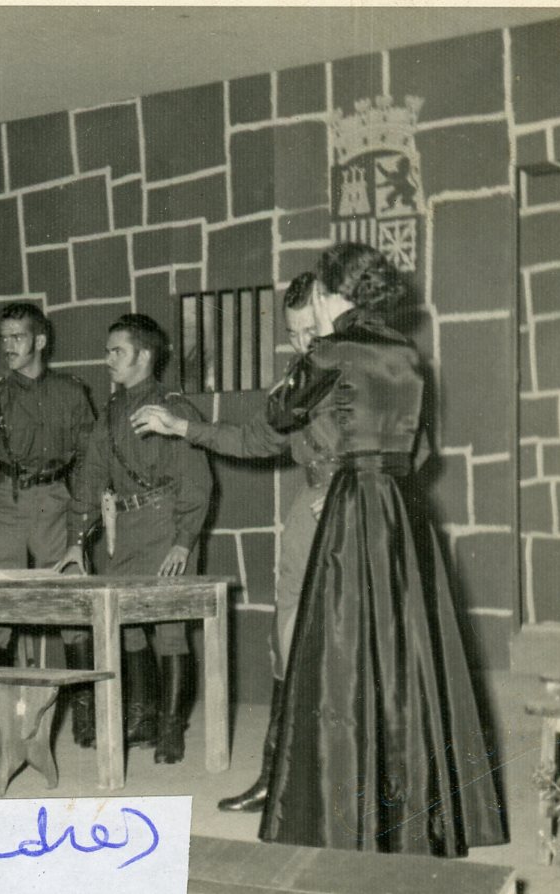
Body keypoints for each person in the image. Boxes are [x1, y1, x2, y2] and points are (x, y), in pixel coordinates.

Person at [257, 243, 505, 855]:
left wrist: (307, 367)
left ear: (327, 294)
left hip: (353, 506)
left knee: (342, 652)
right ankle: (417, 809)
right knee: (405, 648)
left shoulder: (329, 351)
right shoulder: (406, 353)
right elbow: (419, 453)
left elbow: (279, 414)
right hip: (400, 508)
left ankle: (346, 813)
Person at [128, 273, 340, 812]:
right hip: (310, 505)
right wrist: (181, 428)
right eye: (293, 334)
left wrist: (350, 484)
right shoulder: (301, 379)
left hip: (359, 508)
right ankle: (276, 776)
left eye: (312, 331)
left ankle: (351, 782)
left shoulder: (365, 367)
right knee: (286, 636)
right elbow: (253, 438)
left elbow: (410, 448)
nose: (304, 344)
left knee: (353, 640)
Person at [55, 313, 213, 764]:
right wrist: (75, 541)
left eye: (117, 351)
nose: (108, 359)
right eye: (108, 351)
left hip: (167, 525)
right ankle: (142, 718)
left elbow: (197, 482)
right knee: (125, 627)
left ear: (143, 356)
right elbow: (90, 481)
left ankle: (171, 728)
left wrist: (184, 541)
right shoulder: (110, 413)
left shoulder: (175, 409)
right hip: (123, 529)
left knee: (169, 628)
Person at [0, 302, 96, 743]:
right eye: (4, 338)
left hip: (55, 500)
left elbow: (90, 464)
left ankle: (87, 717)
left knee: (72, 607)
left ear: (40, 340)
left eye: (17, 337)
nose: (8, 346)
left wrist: (80, 527)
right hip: (8, 506)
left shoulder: (71, 394)